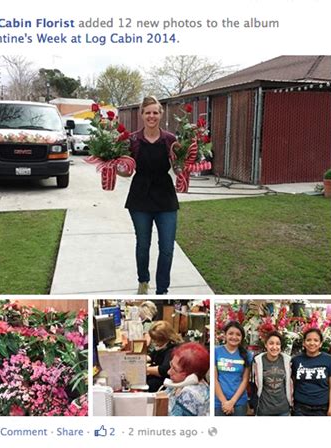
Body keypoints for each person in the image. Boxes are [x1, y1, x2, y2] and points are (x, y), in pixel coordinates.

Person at [123, 96, 179, 295]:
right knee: (143, 244)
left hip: (165, 196)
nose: (151, 116)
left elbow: (178, 168)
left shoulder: (170, 140)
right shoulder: (133, 140)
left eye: (155, 112)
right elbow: (126, 170)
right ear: (142, 115)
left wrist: (187, 166)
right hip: (140, 196)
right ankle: (143, 282)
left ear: (161, 114)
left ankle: (162, 289)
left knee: (167, 248)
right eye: (148, 112)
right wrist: (114, 166)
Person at [291, 328, 331, 416]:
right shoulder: (296, 360)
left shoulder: (329, 360)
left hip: (322, 408)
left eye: (316, 340)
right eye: (308, 340)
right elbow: (293, 384)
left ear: (321, 343)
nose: (312, 343)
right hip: (300, 408)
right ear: (303, 343)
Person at [214, 321, 253, 416]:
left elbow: (245, 380)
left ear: (242, 337)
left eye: (238, 334)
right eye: (231, 333)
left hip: (239, 402)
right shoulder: (216, 351)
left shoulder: (247, 355)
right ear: (225, 335)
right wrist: (224, 402)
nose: (234, 337)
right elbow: (214, 379)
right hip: (219, 402)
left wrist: (232, 402)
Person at [252, 331, 292, 416]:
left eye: (278, 344)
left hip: (283, 410)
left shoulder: (287, 361)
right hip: (264, 410)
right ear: (266, 345)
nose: (274, 347)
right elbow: (254, 385)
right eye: (271, 343)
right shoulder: (258, 361)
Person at [165, 342, 210, 416]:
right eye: (171, 365)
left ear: (192, 376)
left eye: (175, 369)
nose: (168, 372)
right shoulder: (178, 383)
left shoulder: (189, 395)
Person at [146, 320, 183, 392]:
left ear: (163, 338)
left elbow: (163, 370)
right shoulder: (162, 345)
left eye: (155, 340)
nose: (153, 342)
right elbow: (151, 356)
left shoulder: (173, 349)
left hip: (164, 381)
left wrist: (145, 369)